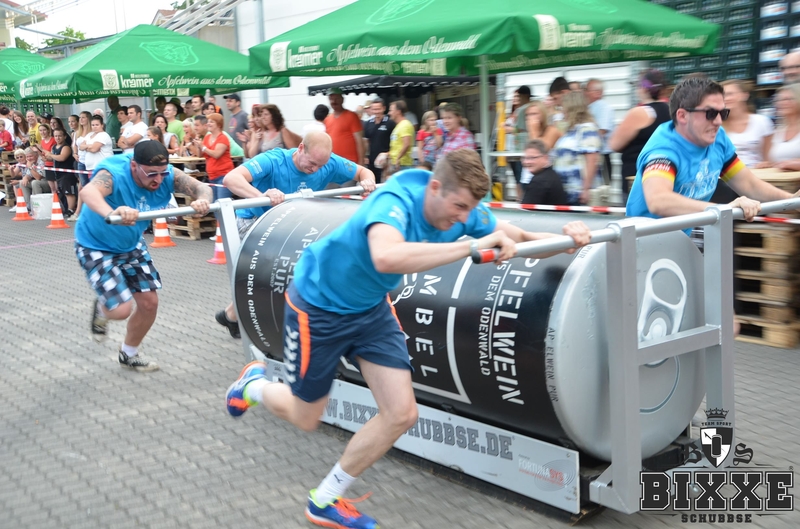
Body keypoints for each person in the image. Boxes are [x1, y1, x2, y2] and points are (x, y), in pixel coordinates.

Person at [223, 148, 591, 529]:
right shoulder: (395, 200)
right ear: (435, 188)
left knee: (401, 413)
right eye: (459, 207)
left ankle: (325, 499)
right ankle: (254, 386)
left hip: (370, 310)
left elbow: (518, 236)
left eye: (469, 210)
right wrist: (469, 247)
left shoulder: (463, 207)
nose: (463, 217)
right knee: (306, 417)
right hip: (318, 307)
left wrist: (566, 240)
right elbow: (386, 257)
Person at [215, 131, 377, 339]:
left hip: (288, 226)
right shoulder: (274, 160)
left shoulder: (328, 162)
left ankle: (232, 315)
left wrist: (368, 181)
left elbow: (363, 171)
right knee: (273, 276)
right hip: (254, 222)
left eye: (320, 165)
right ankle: (260, 321)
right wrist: (262, 195)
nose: (315, 169)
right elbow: (231, 179)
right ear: (301, 148)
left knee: (295, 272)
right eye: (312, 163)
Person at [76, 141, 212, 371]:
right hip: (95, 245)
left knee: (149, 303)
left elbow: (202, 187)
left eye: (162, 173)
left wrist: (202, 200)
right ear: (134, 166)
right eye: (151, 174)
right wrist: (113, 212)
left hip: (131, 244)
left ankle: (129, 354)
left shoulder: (166, 175)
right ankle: (102, 308)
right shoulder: (114, 173)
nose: (158, 180)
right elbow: (88, 192)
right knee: (120, 310)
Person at [627, 76, 799, 223]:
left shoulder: (717, 138)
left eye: (723, 113)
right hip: (643, 241)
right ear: (682, 116)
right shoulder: (664, 150)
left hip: (679, 236)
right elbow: (658, 201)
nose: (718, 121)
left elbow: (748, 184)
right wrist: (723, 209)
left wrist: (791, 200)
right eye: (710, 113)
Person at [609, 69, 671, 199]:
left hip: (637, 178)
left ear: (643, 88)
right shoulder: (672, 110)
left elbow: (614, 144)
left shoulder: (640, 113)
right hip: (665, 175)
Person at [551, 92, 601, 205]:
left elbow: (592, 160)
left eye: (563, 107)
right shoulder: (571, 130)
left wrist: (586, 189)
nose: (561, 111)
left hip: (579, 192)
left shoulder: (587, 129)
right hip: (567, 191)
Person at [720, 80, 773, 168]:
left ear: (745, 95)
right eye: (722, 96)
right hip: (727, 173)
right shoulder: (717, 125)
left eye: (730, 94)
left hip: (757, 172)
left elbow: (769, 158)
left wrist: (766, 164)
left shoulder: (762, 121)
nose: (726, 98)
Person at [760, 84, 800, 170]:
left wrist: (796, 164)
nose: (781, 103)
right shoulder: (778, 131)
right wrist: (767, 165)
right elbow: (774, 162)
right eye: (778, 100)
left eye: (787, 99)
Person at [195, 113, 234, 202]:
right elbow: (200, 155)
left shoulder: (223, 138)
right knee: (214, 204)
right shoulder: (207, 137)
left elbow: (216, 154)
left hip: (223, 176)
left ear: (219, 125)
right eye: (208, 121)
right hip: (211, 176)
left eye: (212, 122)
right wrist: (198, 145)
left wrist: (203, 147)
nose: (208, 123)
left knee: (223, 202)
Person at [585, 79, 616, 185]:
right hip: (592, 155)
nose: (585, 93)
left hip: (601, 157)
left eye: (587, 90)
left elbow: (602, 131)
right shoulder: (589, 107)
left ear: (598, 92)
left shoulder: (604, 107)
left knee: (602, 190)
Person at [520, 140, 569, 206]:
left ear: (545, 158)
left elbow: (525, 210)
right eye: (525, 158)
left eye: (532, 158)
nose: (527, 162)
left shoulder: (539, 181)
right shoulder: (551, 175)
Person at [324, 88, 364, 164]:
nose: (334, 101)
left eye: (336, 98)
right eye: (331, 99)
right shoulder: (327, 119)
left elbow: (359, 141)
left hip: (350, 163)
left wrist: (361, 162)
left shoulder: (352, 116)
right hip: (334, 163)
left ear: (342, 99)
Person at [45, 128, 77, 217]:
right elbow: (52, 158)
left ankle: (71, 209)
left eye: (59, 136)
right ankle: (65, 208)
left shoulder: (66, 147)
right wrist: (46, 157)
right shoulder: (54, 147)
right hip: (58, 173)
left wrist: (51, 155)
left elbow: (62, 157)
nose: (57, 138)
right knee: (61, 191)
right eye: (55, 136)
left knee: (69, 192)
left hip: (67, 173)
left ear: (64, 136)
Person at [362, 98, 394, 183]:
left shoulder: (390, 123)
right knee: (372, 182)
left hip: (386, 160)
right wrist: (365, 156)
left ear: (384, 108)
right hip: (371, 160)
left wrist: (389, 154)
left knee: (385, 183)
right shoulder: (368, 123)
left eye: (378, 109)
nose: (376, 112)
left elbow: (395, 142)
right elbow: (366, 141)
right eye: (374, 109)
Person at [385, 99, 414, 175]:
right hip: (397, 164)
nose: (389, 113)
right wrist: (387, 154)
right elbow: (397, 146)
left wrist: (398, 158)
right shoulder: (399, 125)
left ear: (398, 112)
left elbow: (406, 144)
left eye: (391, 110)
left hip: (402, 164)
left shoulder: (405, 125)